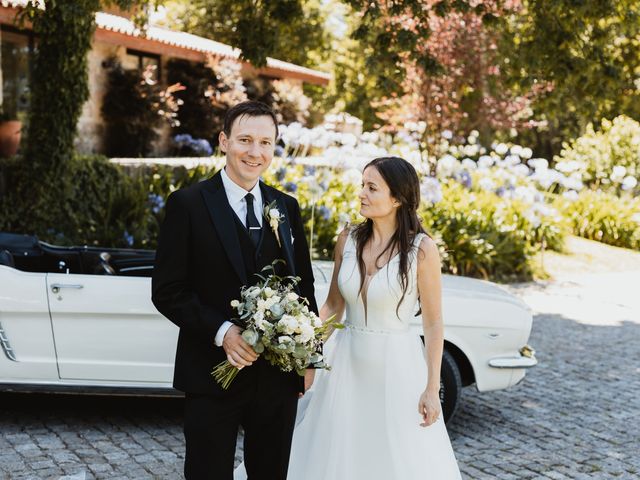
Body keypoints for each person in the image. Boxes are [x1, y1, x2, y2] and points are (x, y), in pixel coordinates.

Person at [152, 101, 318, 480]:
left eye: (265, 142)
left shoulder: (286, 206)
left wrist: (309, 357)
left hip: (277, 376)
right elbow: (167, 290)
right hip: (212, 373)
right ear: (224, 141)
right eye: (245, 140)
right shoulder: (188, 204)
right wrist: (223, 332)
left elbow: (303, 284)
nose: (255, 152)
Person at [286, 156, 461, 479]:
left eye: (372, 187)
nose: (361, 194)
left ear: (397, 198)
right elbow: (333, 305)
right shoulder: (348, 238)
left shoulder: (422, 249)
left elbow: (434, 323)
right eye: (362, 185)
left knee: (393, 455)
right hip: (345, 362)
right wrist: (306, 356)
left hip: (397, 367)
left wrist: (431, 387)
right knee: (336, 449)